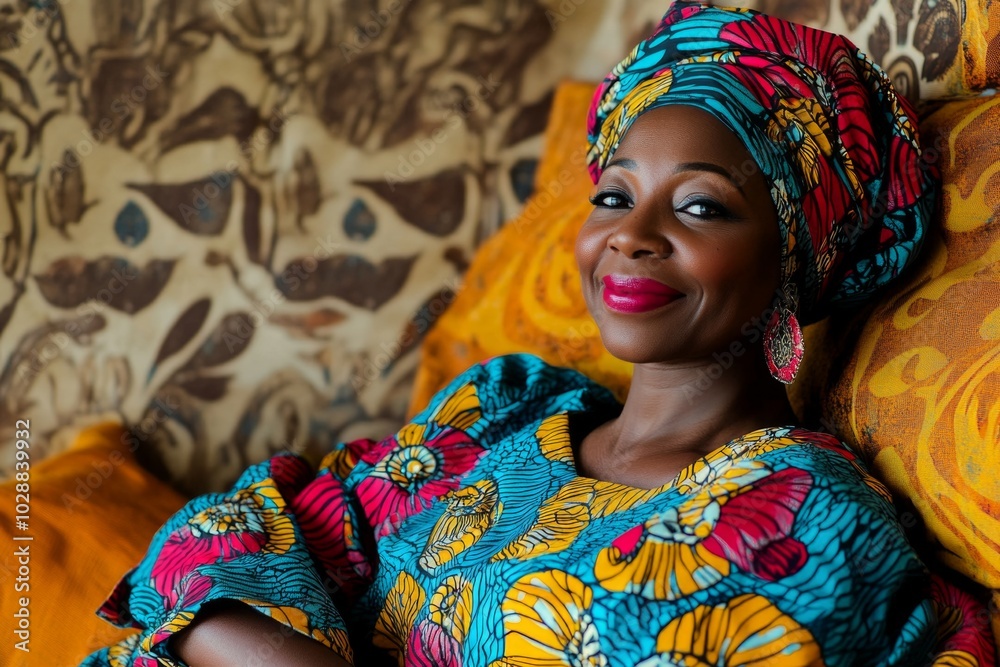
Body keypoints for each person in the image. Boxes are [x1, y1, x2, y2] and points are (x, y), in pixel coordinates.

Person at [81, 3, 997, 666]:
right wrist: (215, 621)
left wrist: (227, 633)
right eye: (614, 194)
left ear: (793, 259)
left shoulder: (806, 516)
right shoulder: (506, 411)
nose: (631, 235)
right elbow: (245, 529)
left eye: (700, 206)